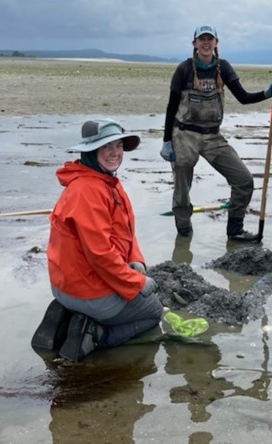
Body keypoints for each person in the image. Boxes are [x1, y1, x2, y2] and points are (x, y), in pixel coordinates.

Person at [31, 118, 163, 361]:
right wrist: (135, 282)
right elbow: (100, 254)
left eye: (119, 145)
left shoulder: (104, 181)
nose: (115, 153)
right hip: (86, 290)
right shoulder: (88, 190)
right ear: (90, 151)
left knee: (138, 291)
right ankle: (95, 334)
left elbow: (125, 231)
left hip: (67, 285)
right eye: (106, 147)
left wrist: (136, 260)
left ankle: (71, 318)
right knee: (153, 312)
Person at [160, 24, 272, 242]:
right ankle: (184, 234)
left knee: (244, 180)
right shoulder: (183, 69)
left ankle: (234, 231)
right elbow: (171, 107)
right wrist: (167, 141)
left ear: (216, 42)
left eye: (210, 39)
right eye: (202, 39)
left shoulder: (223, 67)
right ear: (195, 44)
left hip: (212, 137)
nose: (206, 43)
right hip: (184, 136)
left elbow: (243, 98)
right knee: (181, 192)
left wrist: (266, 93)